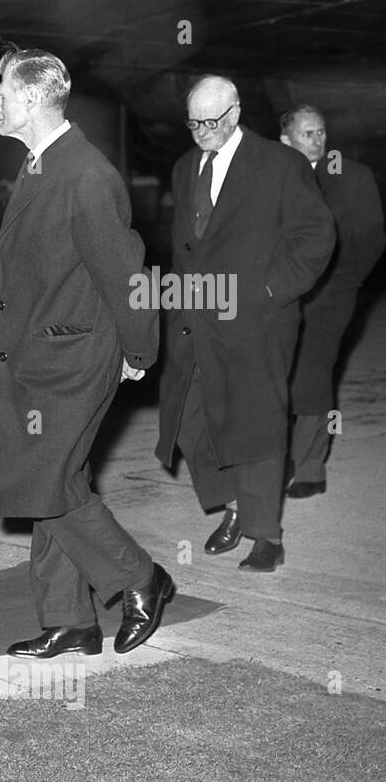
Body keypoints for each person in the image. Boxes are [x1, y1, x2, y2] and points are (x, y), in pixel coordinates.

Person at [0, 46, 169, 658]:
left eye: (4, 93)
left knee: (46, 481)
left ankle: (140, 577)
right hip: (40, 357)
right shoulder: (42, 165)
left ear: (34, 98)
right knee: (54, 482)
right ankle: (71, 620)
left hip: (72, 360)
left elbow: (126, 272)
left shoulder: (86, 173)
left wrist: (139, 350)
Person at [155, 76, 335, 571]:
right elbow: (186, 248)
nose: (201, 133)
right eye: (193, 123)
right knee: (192, 420)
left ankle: (265, 535)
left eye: (211, 122)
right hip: (195, 317)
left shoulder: (280, 164)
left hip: (257, 318)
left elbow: (317, 235)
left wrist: (270, 290)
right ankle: (232, 505)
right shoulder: (185, 167)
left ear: (235, 113)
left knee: (255, 423)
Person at [278, 105, 386, 497]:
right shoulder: (273, 177)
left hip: (331, 297)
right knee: (279, 374)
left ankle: (310, 469)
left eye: (321, 132)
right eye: (308, 134)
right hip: (282, 295)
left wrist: (344, 283)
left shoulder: (352, 177)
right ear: (286, 140)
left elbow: (373, 238)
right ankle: (287, 455)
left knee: (312, 374)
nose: (318, 141)